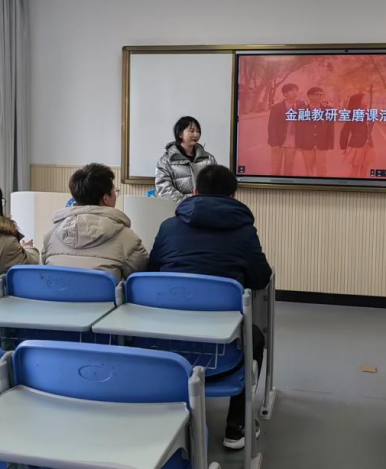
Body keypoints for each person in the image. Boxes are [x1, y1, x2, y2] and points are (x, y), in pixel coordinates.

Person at [148, 165, 271, 450]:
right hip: (222, 349)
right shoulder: (244, 232)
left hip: (163, 340)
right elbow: (260, 278)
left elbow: (151, 273)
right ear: (233, 195)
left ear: (194, 191)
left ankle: (161, 418)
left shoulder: (168, 226)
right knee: (254, 337)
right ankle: (237, 427)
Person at [42, 163, 148, 280]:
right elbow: (140, 275)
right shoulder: (128, 239)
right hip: (105, 293)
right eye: (114, 191)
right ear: (106, 198)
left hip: (58, 292)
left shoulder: (51, 235)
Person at [155, 116, 217, 203]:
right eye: (192, 131)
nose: (196, 134)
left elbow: (216, 185)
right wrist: (188, 203)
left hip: (204, 207)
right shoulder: (165, 161)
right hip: (178, 208)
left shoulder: (209, 159)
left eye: (198, 131)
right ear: (180, 134)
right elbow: (164, 190)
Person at [297, 87, 336, 177]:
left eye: (322, 94)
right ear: (310, 96)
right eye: (318, 94)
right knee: (309, 167)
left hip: (322, 143)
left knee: (322, 167)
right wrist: (299, 144)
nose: (320, 96)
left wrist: (330, 143)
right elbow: (299, 128)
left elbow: (331, 128)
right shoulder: (302, 110)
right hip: (306, 143)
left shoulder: (329, 110)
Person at [267, 83, 303, 176]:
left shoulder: (301, 105)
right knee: (276, 166)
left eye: (296, 91)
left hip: (292, 141)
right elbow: (272, 126)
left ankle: (287, 182)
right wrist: (274, 143)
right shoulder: (277, 107)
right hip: (278, 142)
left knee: (289, 166)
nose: (295, 93)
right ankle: (275, 183)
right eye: (292, 91)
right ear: (285, 94)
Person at [339, 93, 375, 178]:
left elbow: (369, 129)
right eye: (363, 99)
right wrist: (344, 147)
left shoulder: (370, 113)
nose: (366, 100)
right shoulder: (352, 114)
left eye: (366, 98)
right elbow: (345, 131)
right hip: (357, 144)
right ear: (357, 101)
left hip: (368, 144)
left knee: (365, 167)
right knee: (355, 169)